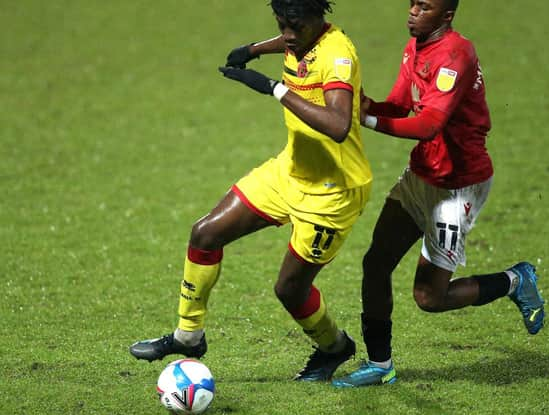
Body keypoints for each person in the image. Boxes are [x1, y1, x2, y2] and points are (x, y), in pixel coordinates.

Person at [130, 0, 372, 382]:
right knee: (205, 233)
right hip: (289, 172)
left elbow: (339, 124)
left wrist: (274, 89)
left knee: (290, 290)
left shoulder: (337, 55)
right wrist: (254, 49)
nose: (288, 35)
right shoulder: (299, 39)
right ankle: (188, 337)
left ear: (317, 19)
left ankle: (335, 347)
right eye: (281, 25)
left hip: (332, 193)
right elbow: (290, 42)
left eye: (295, 27)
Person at [332, 0, 545, 388]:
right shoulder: (415, 46)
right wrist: (366, 106)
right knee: (375, 263)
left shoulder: (456, 54)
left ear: (446, 15)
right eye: (412, 3)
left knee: (429, 298)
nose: (413, 11)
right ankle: (380, 365)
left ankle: (515, 281)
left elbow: (429, 124)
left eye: (424, 6)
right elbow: (400, 104)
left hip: (457, 187)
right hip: (421, 174)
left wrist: (366, 120)